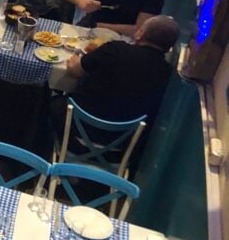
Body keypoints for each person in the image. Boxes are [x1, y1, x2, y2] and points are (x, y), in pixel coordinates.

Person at [51, 15, 178, 171]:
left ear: (140, 33)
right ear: (169, 47)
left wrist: (76, 58)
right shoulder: (168, 75)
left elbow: (74, 70)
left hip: (75, 138)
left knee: (54, 101)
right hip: (121, 150)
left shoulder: (115, 50)